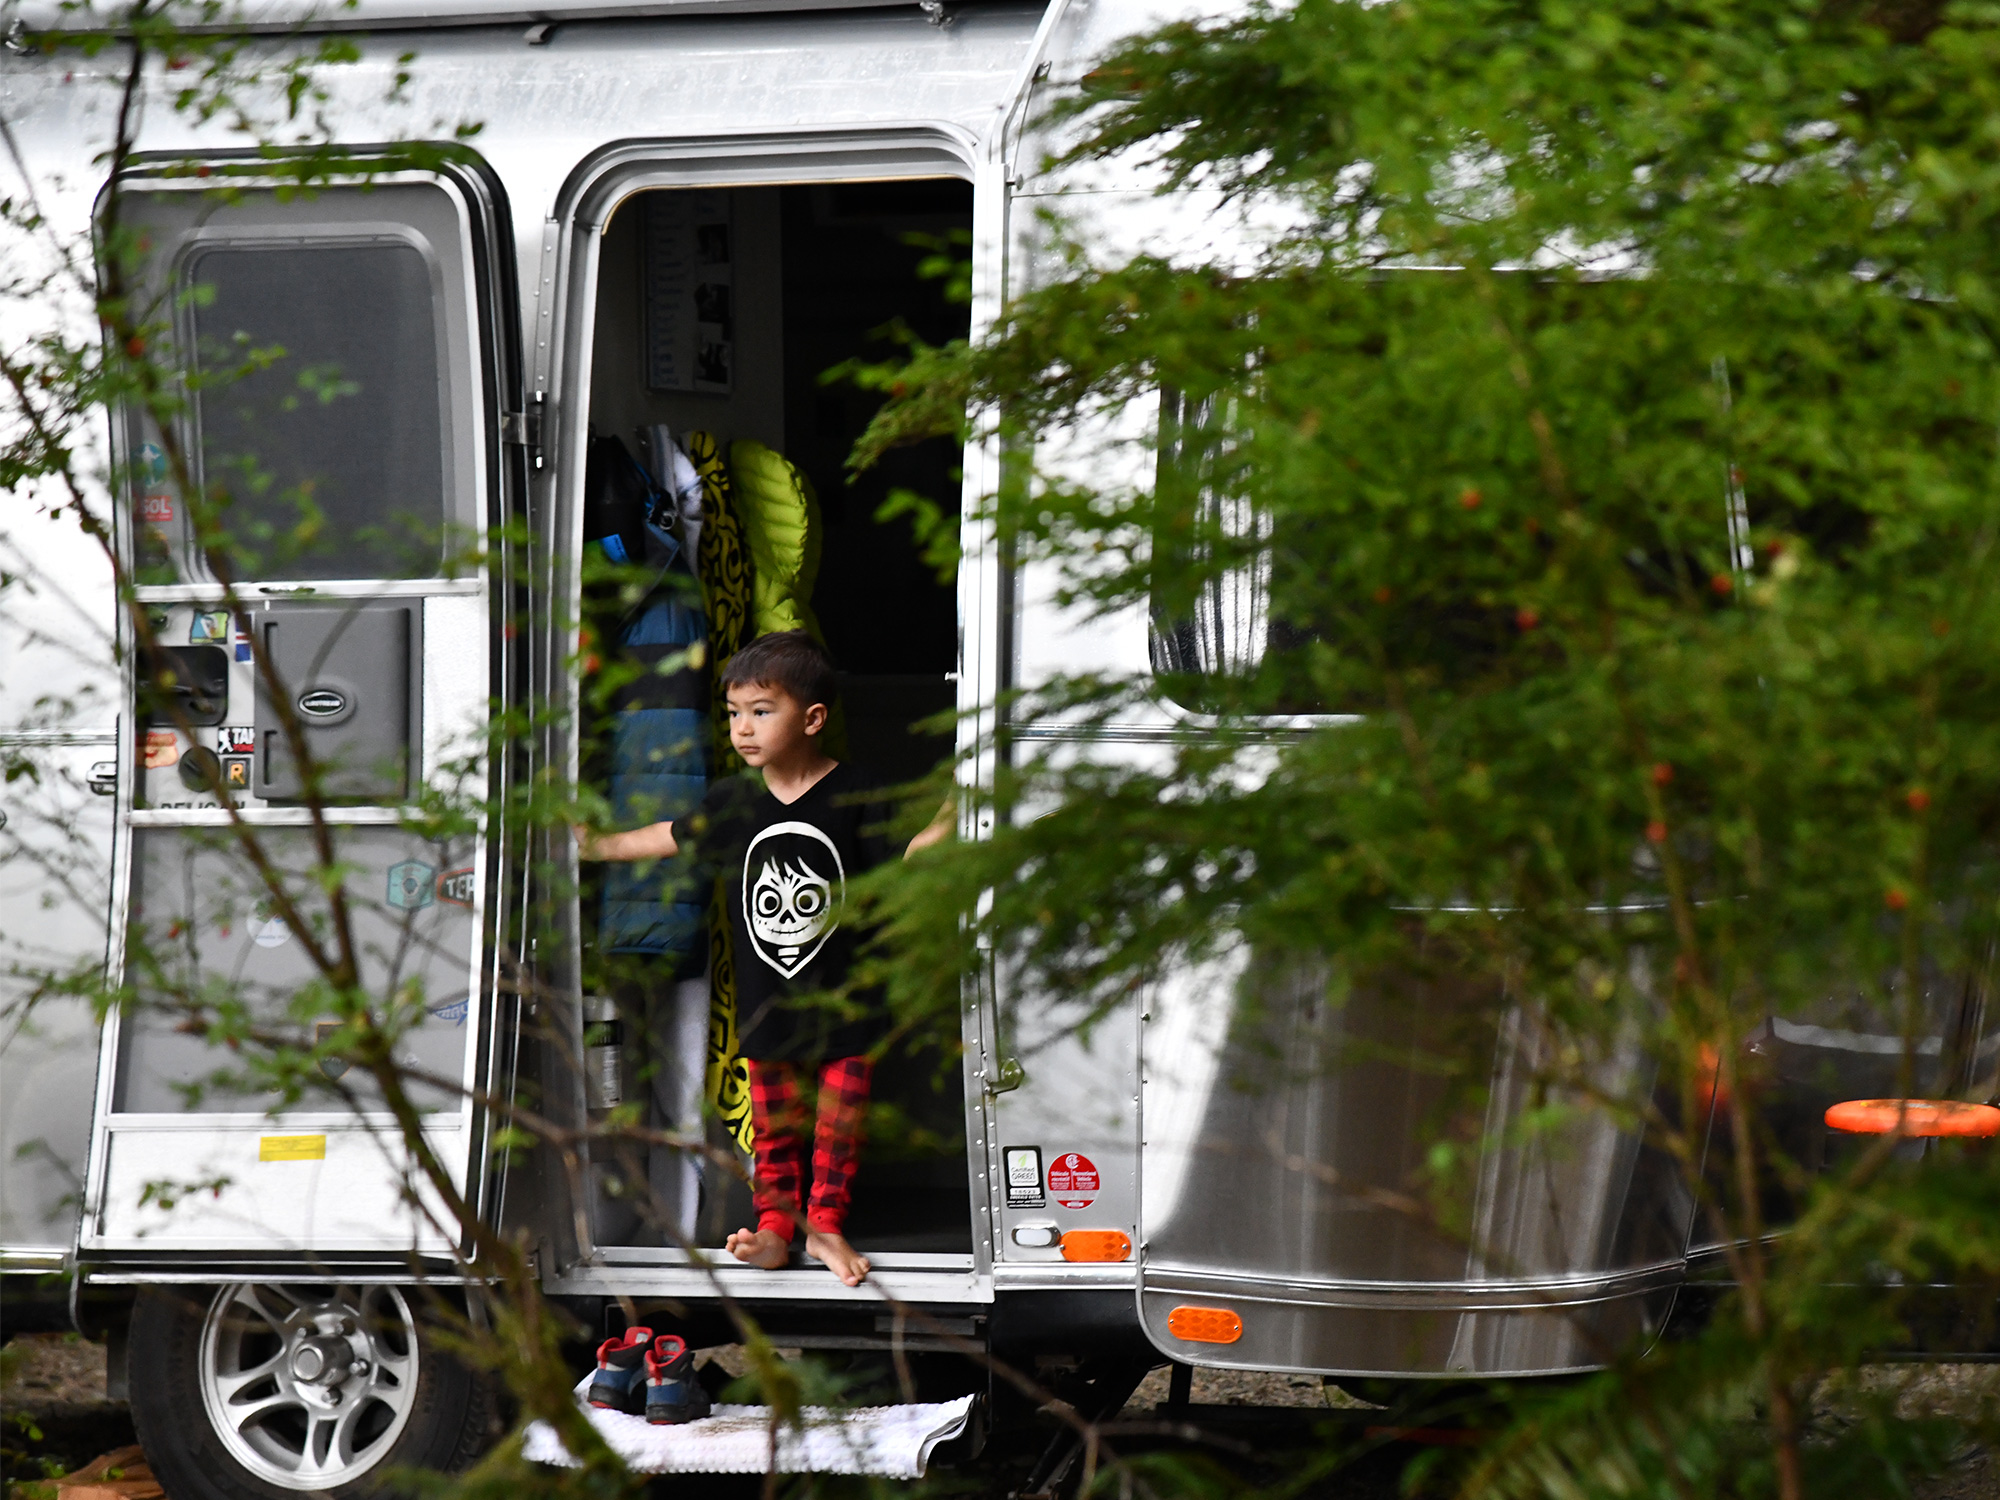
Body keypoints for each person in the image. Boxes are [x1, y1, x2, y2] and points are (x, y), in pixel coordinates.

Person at [575, 630, 948, 1286]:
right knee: (774, 1134)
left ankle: (824, 1227)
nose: (742, 728)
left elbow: (911, 857)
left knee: (837, 1131)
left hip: (847, 1001)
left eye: (761, 711)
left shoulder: (858, 791)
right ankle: (775, 1228)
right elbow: (671, 835)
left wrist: (959, 803)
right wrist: (596, 845)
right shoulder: (733, 801)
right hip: (765, 1001)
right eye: (734, 713)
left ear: (813, 718)